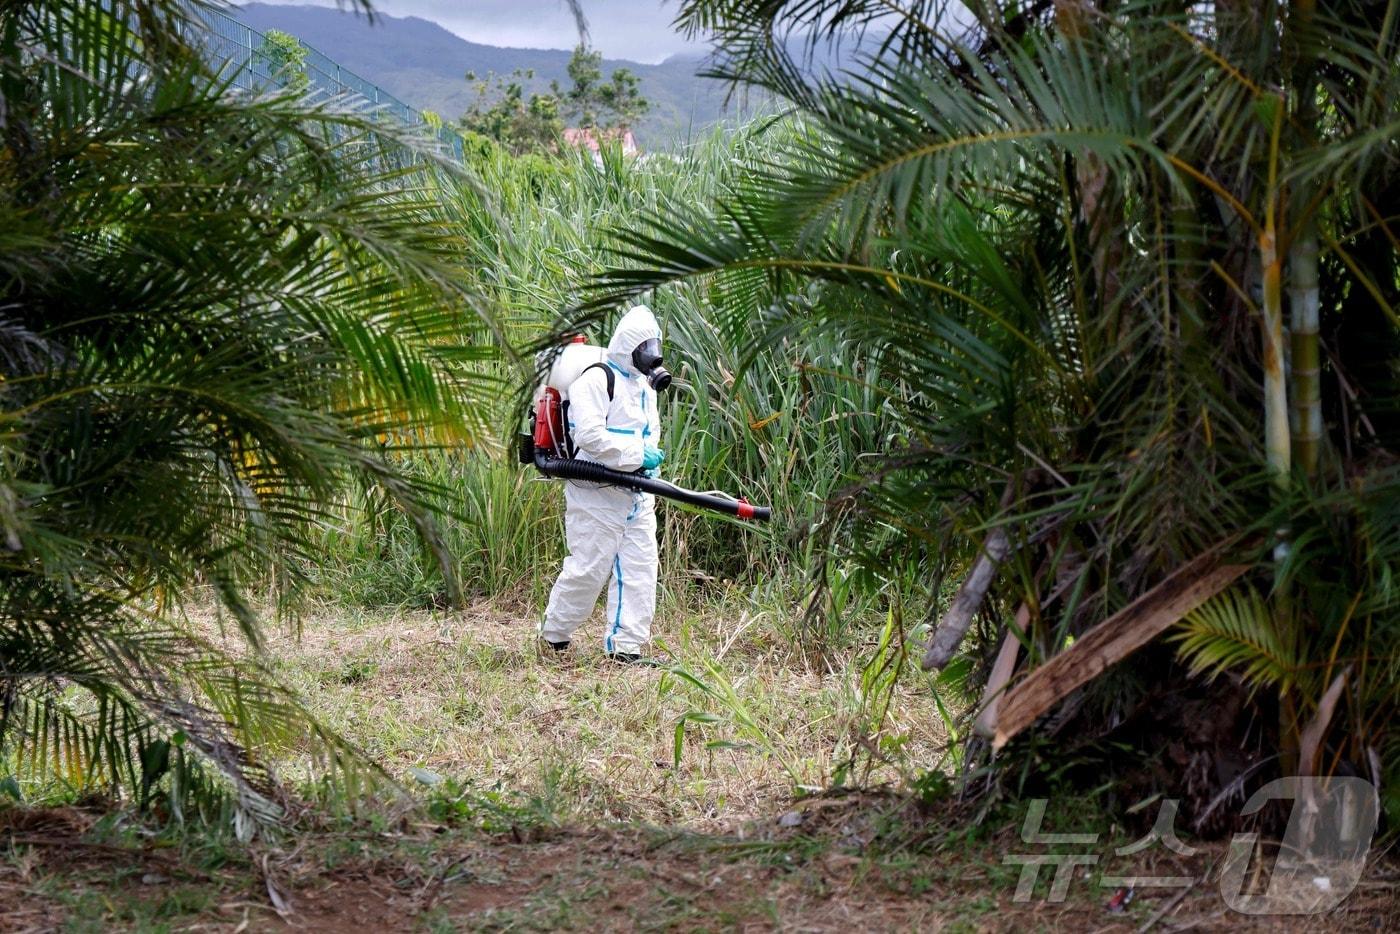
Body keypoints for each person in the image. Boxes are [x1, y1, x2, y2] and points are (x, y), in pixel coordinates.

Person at [540, 306, 668, 663]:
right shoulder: (596, 380)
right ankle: (554, 636)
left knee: (641, 569)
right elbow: (591, 436)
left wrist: (648, 461)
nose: (651, 354)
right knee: (588, 569)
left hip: (637, 494)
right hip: (595, 493)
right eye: (645, 346)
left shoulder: (645, 386)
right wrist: (637, 455)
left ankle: (625, 648)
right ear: (629, 346)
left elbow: (649, 433)